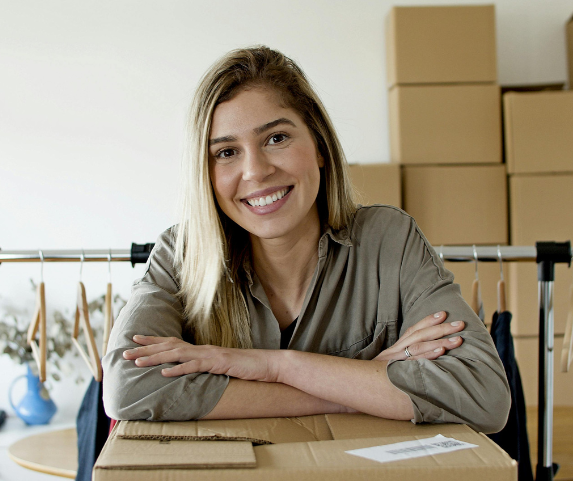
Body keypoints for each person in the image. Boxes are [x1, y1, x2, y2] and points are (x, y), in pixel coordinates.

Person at [102, 46, 510, 433]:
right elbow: (127, 389)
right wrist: (357, 390)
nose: (256, 171)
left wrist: (277, 367)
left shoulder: (390, 239)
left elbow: (483, 393)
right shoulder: (180, 255)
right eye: (226, 152)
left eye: (276, 138)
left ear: (319, 145)